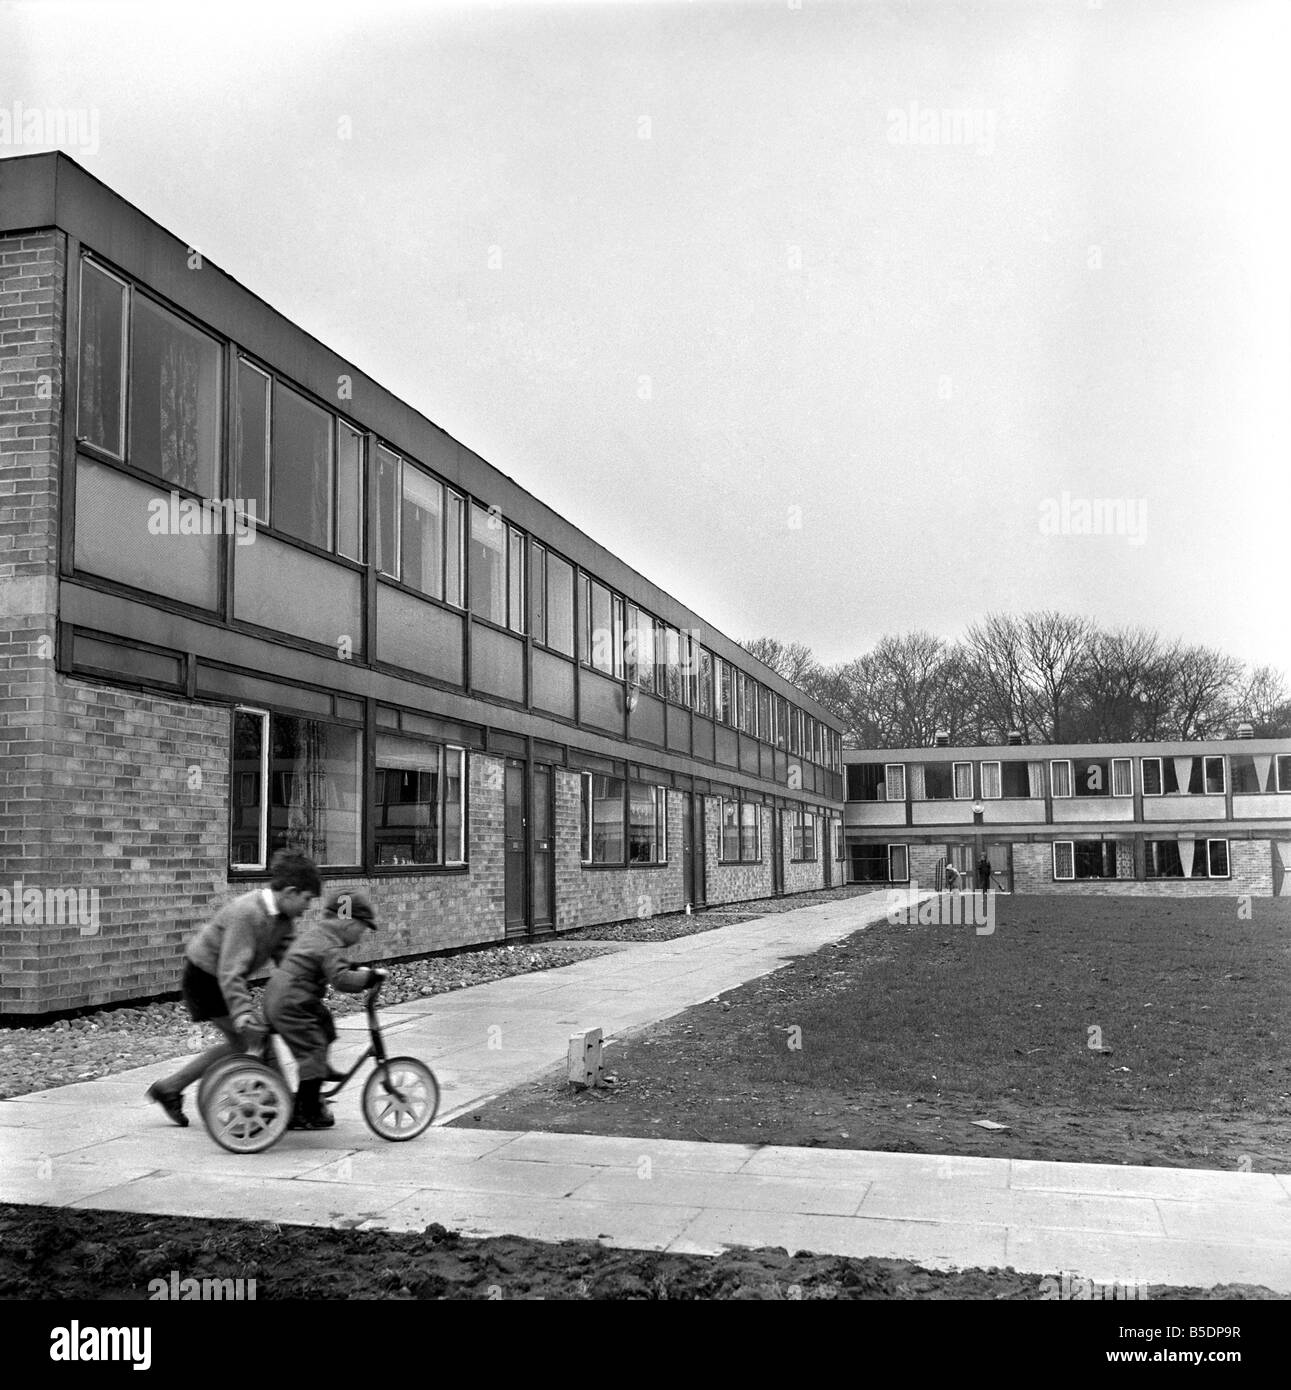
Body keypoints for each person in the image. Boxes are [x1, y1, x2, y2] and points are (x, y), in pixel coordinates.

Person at [145, 849, 321, 1126]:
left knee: (245, 1043)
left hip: (221, 978)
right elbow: (231, 970)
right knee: (256, 1039)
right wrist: (243, 1012)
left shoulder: (283, 921)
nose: (308, 907)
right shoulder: (248, 913)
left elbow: (290, 963)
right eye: (307, 899)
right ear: (290, 892)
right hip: (205, 979)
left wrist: (313, 983)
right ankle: (283, 1103)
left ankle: (169, 1088)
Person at [262, 888, 383, 1131]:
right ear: (347, 922)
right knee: (312, 1049)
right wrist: (368, 978)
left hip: (286, 996)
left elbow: (331, 965)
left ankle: (317, 1075)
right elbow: (340, 979)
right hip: (291, 1002)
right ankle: (305, 1109)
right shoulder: (329, 944)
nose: (362, 935)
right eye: (362, 928)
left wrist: (354, 967)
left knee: (324, 1021)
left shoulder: (321, 935)